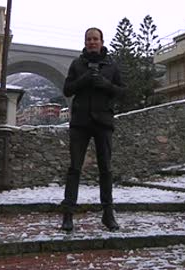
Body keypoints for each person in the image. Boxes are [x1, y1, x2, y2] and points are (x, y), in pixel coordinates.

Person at [60, 27, 125, 232]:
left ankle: (108, 215)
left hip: (103, 123)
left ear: (102, 41)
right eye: (89, 39)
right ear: (85, 42)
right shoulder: (77, 64)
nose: (92, 42)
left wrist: (105, 84)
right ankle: (68, 215)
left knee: (106, 169)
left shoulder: (112, 66)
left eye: (95, 39)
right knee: (74, 169)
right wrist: (85, 79)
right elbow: (67, 90)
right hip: (80, 123)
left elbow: (123, 92)